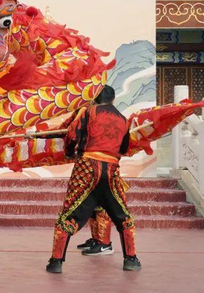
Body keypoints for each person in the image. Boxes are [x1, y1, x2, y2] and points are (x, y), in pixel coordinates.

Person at [45, 85, 141, 274]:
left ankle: (56, 261)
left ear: (95, 98)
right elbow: (123, 148)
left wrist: (69, 152)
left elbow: (72, 135)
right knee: (122, 215)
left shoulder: (88, 112)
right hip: (111, 169)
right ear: (113, 100)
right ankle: (131, 259)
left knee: (70, 212)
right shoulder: (123, 120)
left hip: (87, 167)